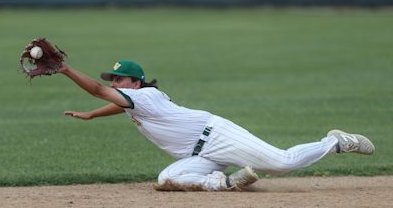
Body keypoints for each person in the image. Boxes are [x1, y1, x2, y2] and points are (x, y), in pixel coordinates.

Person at [59, 60, 375, 191]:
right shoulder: (135, 101)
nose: (114, 83)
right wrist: (91, 115)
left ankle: (334, 142)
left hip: (217, 135)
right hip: (202, 155)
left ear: (136, 83)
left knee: (281, 163)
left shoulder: (146, 96)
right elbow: (117, 105)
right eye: (113, 79)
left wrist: (65, 68)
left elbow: (100, 92)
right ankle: (224, 183)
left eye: (120, 79)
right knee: (167, 178)